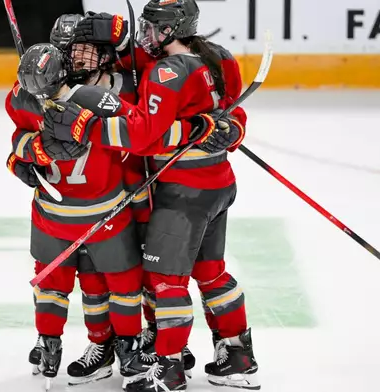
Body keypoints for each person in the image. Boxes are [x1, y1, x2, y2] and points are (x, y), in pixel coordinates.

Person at [40, 1, 259, 390]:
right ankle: (238, 353)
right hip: (219, 183)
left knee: (165, 280)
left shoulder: (165, 70)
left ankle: (170, 368)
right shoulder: (219, 57)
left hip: (183, 192)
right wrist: (226, 129)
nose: (146, 36)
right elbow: (230, 114)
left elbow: (143, 137)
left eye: (153, 29)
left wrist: (84, 129)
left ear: (172, 30)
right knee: (210, 272)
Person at [5, 14, 137, 388]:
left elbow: (18, 132)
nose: (79, 60)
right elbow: (140, 126)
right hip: (103, 211)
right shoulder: (108, 94)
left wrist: (27, 151)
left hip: (61, 211)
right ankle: (119, 345)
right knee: (108, 284)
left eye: (87, 52)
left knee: (56, 281)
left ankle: (57, 342)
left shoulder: (25, 93)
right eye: (73, 53)